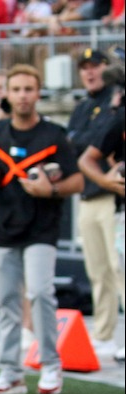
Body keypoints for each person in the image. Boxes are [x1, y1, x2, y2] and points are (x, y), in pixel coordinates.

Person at [0, 64, 84, 394]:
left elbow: (77, 180)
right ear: (7, 94)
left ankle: (51, 367)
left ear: (38, 93)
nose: (23, 96)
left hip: (42, 227)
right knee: (7, 301)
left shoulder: (54, 134)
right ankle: (11, 372)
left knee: (41, 293)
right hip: (3, 227)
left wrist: (51, 190)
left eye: (29, 89)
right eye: (17, 90)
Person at [67, 49, 122, 359]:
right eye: (85, 67)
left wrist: (85, 140)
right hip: (88, 194)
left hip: (114, 196)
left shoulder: (116, 102)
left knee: (120, 267)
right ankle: (104, 333)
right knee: (98, 269)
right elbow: (74, 144)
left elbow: (93, 142)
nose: (90, 73)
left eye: (96, 66)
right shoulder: (83, 106)